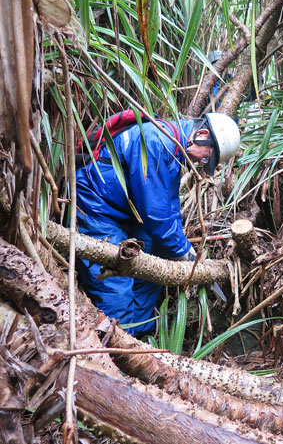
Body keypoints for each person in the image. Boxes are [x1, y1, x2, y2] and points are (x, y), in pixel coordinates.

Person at [76, 113, 241, 335]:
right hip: (97, 209)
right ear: (202, 135)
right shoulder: (157, 141)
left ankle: (139, 333)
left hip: (124, 213)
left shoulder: (171, 147)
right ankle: (118, 353)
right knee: (116, 292)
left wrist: (183, 250)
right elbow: (156, 213)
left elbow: (169, 207)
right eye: (205, 159)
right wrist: (184, 251)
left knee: (158, 250)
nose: (201, 164)